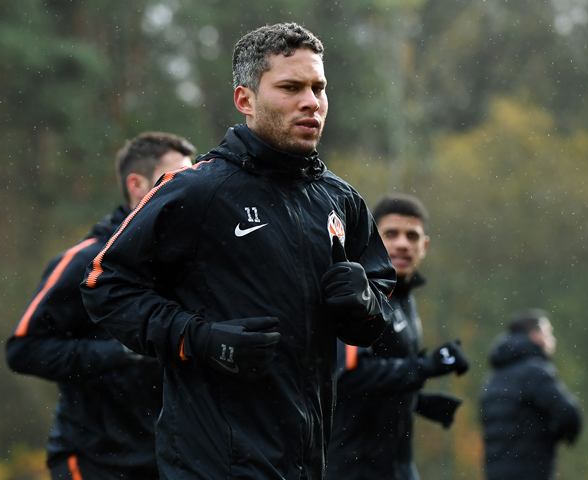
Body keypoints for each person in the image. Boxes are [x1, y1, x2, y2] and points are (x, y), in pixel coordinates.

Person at [79, 23, 396, 480]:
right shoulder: (196, 190)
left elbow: (380, 306)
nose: (312, 102)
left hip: (305, 464)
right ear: (245, 100)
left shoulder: (341, 199)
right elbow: (104, 285)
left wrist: (364, 302)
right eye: (291, 87)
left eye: (319, 87)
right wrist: (200, 339)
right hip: (210, 464)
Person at [6, 132, 196, 480]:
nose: (189, 189)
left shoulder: (190, 262)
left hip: (168, 463)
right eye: (174, 178)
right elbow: (23, 350)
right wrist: (120, 352)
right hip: (93, 462)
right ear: (136, 185)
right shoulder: (85, 261)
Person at [327, 194, 470, 480]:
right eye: (390, 234)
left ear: (424, 246)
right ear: (371, 239)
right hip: (353, 469)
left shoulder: (405, 298)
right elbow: (349, 376)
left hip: (397, 466)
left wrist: (417, 401)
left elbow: (387, 373)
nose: (403, 243)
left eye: (412, 236)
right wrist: (427, 366)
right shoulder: (359, 294)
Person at [479, 309, 582, 480]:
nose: (553, 340)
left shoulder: (492, 379)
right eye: (548, 333)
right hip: (530, 472)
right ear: (535, 336)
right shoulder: (534, 372)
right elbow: (569, 414)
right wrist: (553, 435)